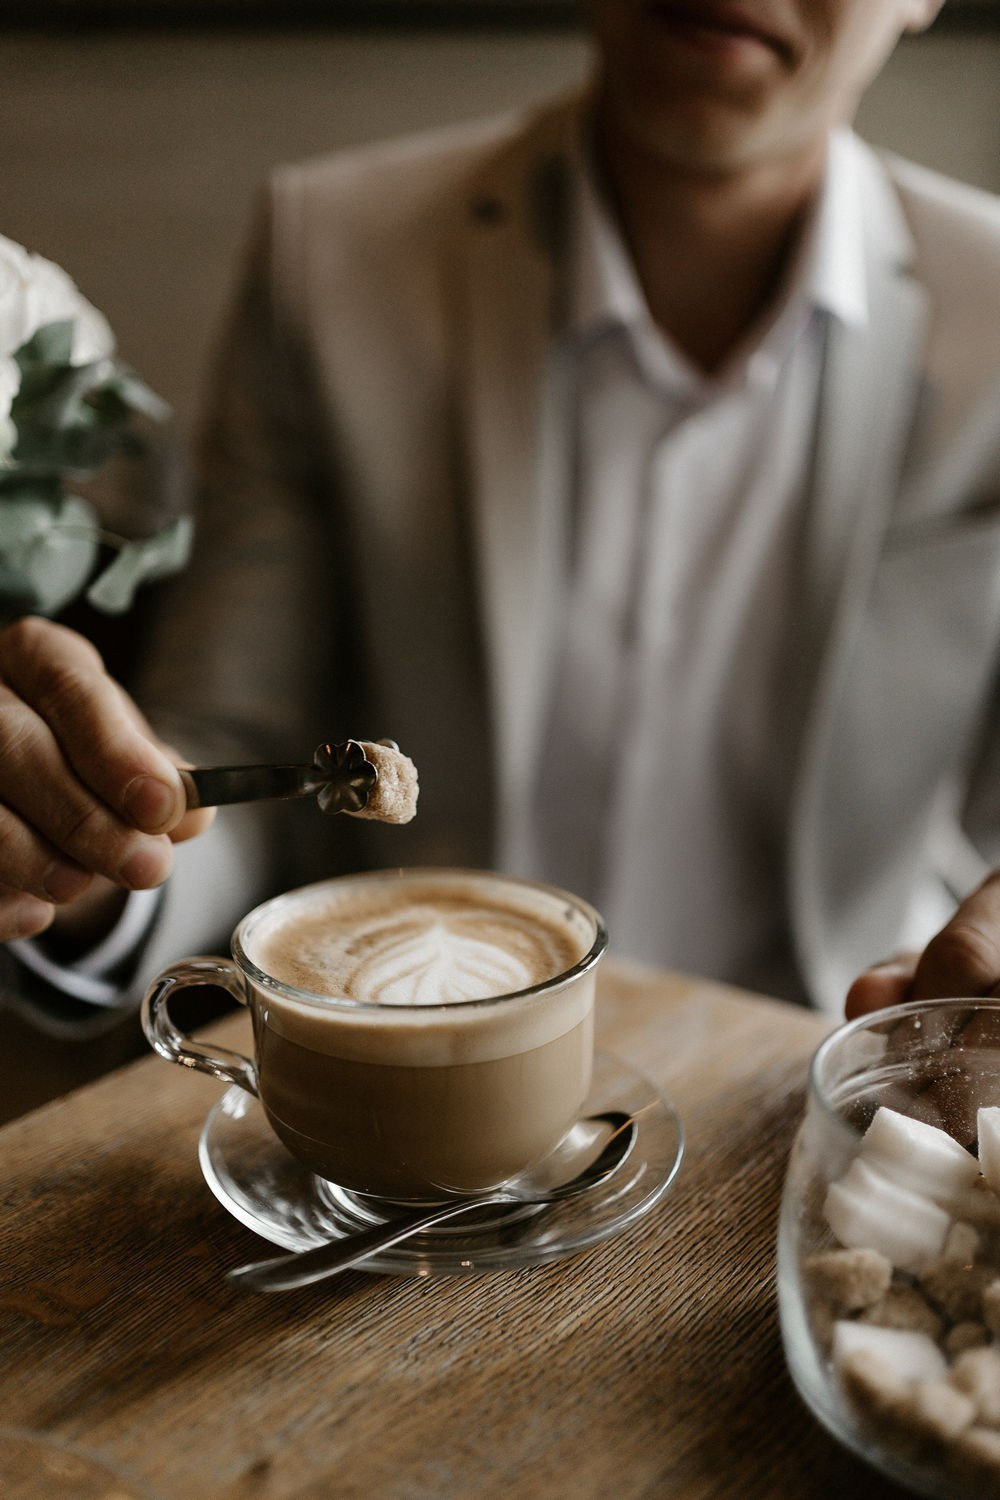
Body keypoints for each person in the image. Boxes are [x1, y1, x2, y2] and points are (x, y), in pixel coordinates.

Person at [2, 0, 1000, 1055]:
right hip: (407, 1078)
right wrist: (86, 852)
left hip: (832, 1068)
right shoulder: (331, 251)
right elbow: (233, 750)